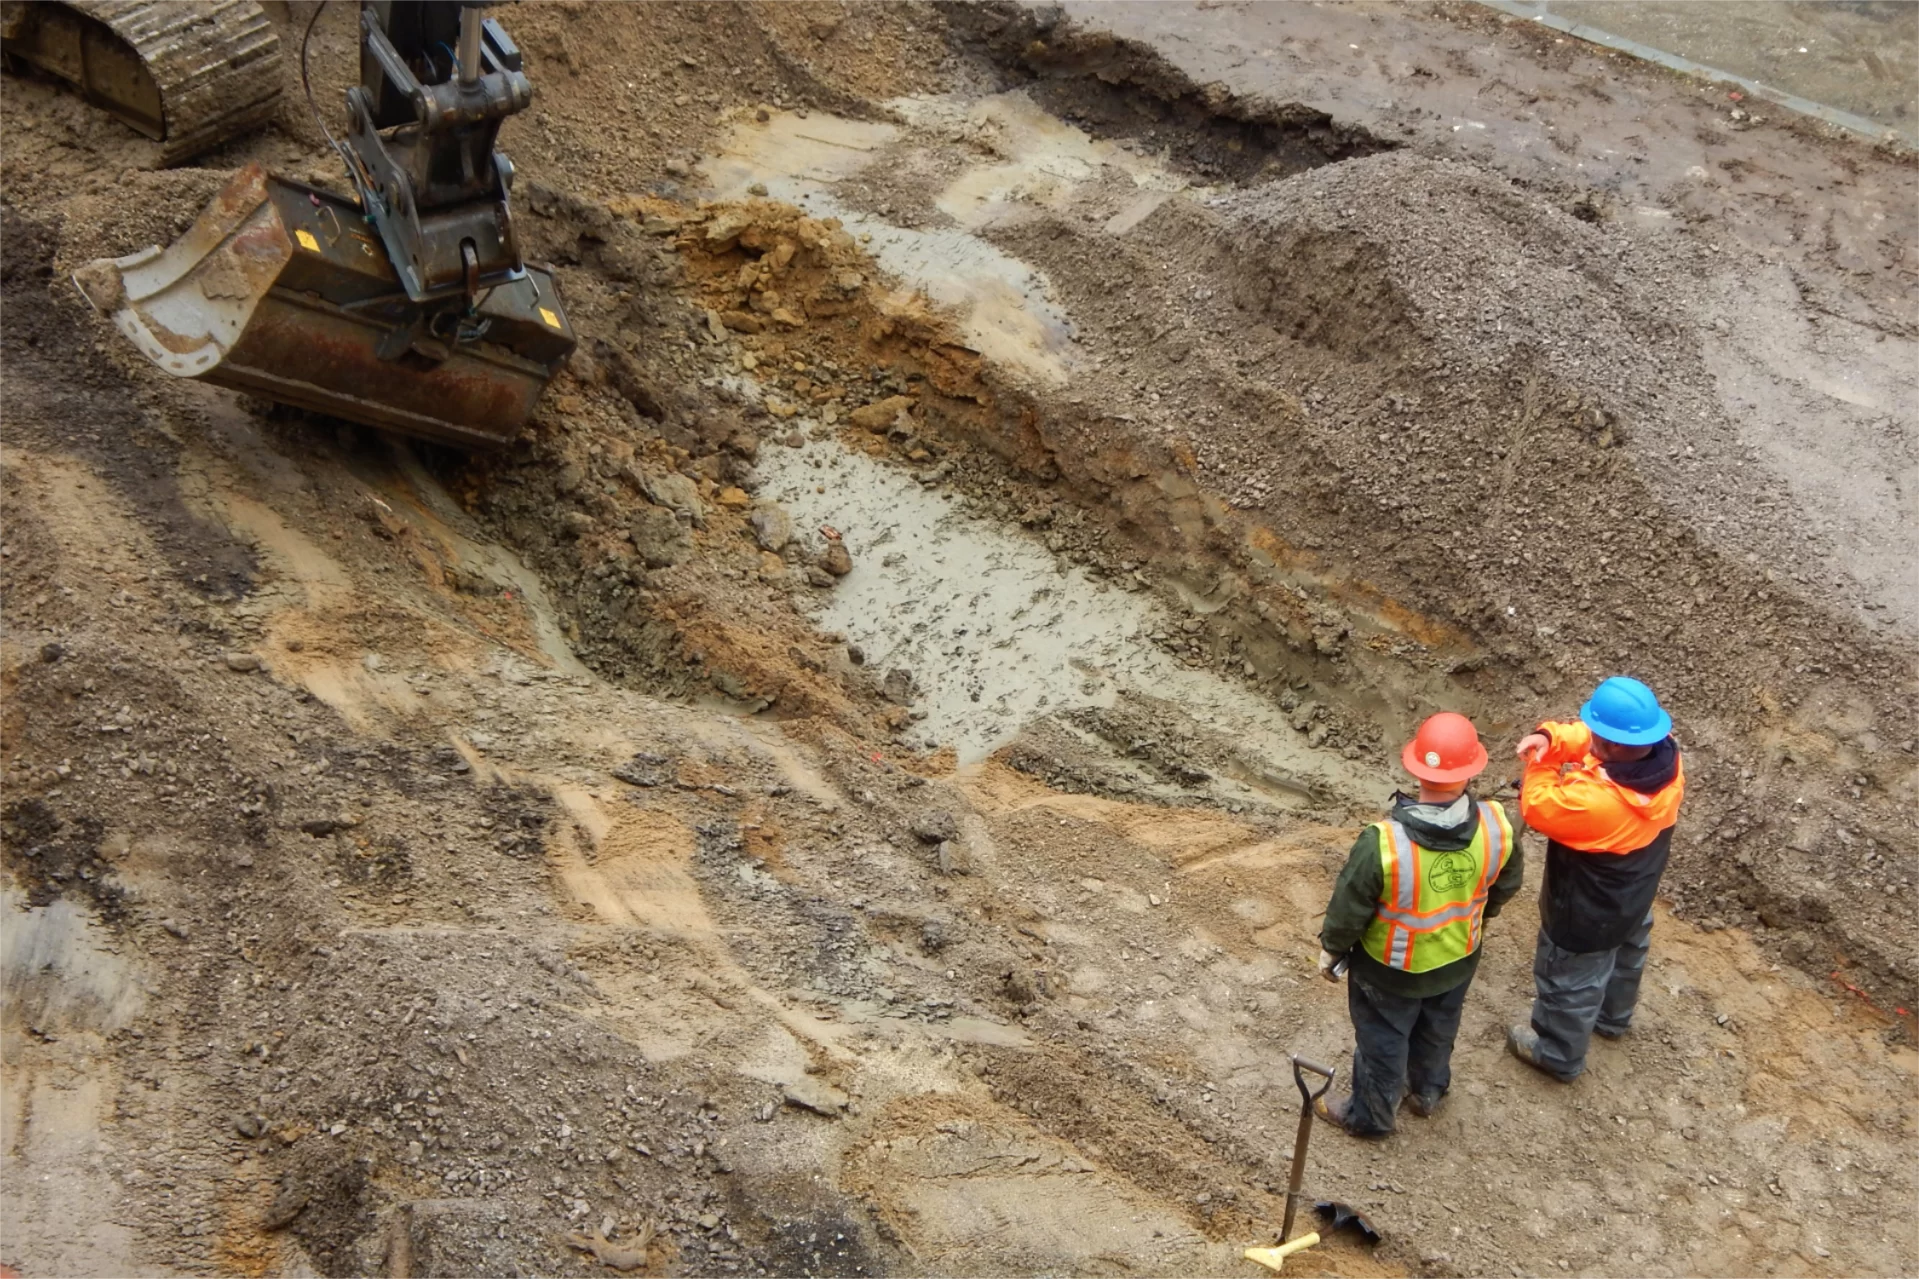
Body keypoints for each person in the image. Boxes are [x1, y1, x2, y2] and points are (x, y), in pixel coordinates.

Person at [1313, 712, 1523, 1136]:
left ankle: (1370, 1118)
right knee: (1438, 1028)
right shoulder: (1498, 826)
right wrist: (1480, 916)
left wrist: (1332, 949)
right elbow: (1507, 883)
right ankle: (1427, 1093)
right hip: (1458, 957)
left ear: (1415, 770)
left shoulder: (1384, 843)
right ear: (1470, 770)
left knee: (1382, 1041)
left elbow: (1349, 908)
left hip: (1389, 970)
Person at [1506, 676, 1685, 1082]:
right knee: (1626, 951)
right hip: (1634, 890)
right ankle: (1612, 1018)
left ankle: (1557, 1054)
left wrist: (1541, 762)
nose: (1590, 740)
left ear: (1614, 746)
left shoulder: (1597, 805)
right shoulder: (1666, 757)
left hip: (1586, 907)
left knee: (1569, 980)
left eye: (1599, 737)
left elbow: (1537, 806)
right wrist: (1550, 737)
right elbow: (1594, 737)